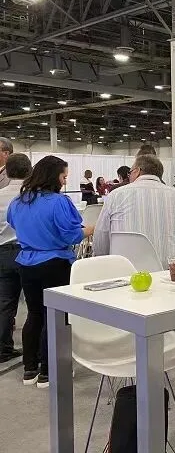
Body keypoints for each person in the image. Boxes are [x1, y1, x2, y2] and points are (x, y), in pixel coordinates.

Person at [7, 155, 93, 388]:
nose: (65, 182)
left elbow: (13, 223)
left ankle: (30, 369)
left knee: (34, 314)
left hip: (26, 263)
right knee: (55, 317)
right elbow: (72, 234)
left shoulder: (18, 201)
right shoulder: (59, 202)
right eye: (64, 177)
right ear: (54, 176)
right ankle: (49, 370)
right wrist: (92, 229)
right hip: (55, 263)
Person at [93, 154, 175, 268]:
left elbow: (100, 244)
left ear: (137, 171)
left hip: (125, 274)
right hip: (169, 274)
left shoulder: (115, 196)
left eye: (130, 172)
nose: (129, 176)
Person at [0, 153, 31, 364]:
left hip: (3, 252)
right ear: (29, 171)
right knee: (34, 305)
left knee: (5, 303)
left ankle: (3, 348)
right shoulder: (32, 196)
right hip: (28, 251)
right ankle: (34, 351)